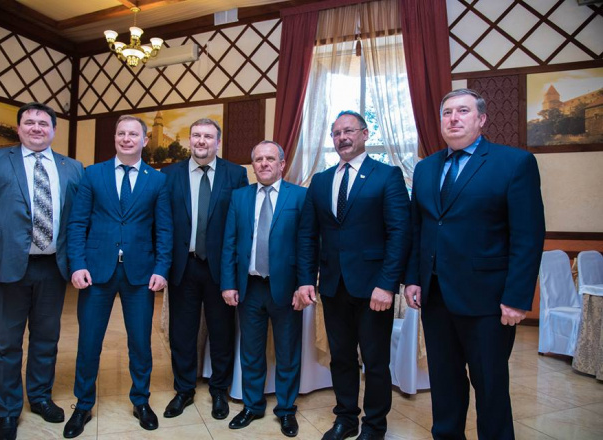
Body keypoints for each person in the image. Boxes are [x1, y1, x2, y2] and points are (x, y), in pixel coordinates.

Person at [404, 88, 545, 439]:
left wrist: (517, 297)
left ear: (481, 119)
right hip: (436, 297)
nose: (453, 118)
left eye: (463, 111)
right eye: (447, 112)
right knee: (444, 382)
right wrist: (413, 279)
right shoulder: (425, 168)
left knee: (490, 384)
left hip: (487, 300)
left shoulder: (514, 163)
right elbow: (418, 229)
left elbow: (527, 236)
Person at [0, 102, 84, 440]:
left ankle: (40, 397)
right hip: (5, 268)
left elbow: (79, 219)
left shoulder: (73, 168)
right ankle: (7, 411)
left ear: (54, 130)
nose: (36, 128)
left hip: (53, 268)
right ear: (18, 129)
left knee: (46, 339)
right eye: (29, 122)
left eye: (43, 123)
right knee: (5, 343)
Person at [296, 111, 411, 440]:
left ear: (364, 134)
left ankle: (374, 426)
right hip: (333, 287)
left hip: (374, 289)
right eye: (336, 133)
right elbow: (308, 235)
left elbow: (399, 233)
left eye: (348, 131)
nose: (342, 138)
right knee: (341, 358)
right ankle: (345, 419)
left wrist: (387, 284)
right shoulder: (321, 181)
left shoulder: (387, 175)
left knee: (375, 362)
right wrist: (306, 279)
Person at [63, 115, 172, 438]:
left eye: (133, 134)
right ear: (115, 138)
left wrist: (161, 269)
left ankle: (141, 401)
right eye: (121, 133)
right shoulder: (92, 174)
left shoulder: (158, 180)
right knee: (89, 342)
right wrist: (77, 264)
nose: (126, 138)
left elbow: (164, 229)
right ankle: (83, 404)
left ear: (144, 140)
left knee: (140, 342)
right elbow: (77, 223)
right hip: (96, 271)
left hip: (140, 274)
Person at [161, 118, 248, 420]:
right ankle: (184, 389)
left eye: (208, 136)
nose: (201, 141)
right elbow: (163, 222)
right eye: (196, 135)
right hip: (182, 267)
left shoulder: (235, 174)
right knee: (182, 332)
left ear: (218, 142)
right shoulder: (169, 174)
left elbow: (241, 223)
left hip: (220, 269)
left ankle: (219, 390)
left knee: (221, 331)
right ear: (189, 140)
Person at [221, 141, 306, 437]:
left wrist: (303, 285)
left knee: (287, 353)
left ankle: (286, 410)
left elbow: (307, 245)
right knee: (251, 352)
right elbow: (230, 243)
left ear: (282, 164)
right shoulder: (239, 197)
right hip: (250, 287)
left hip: (287, 289)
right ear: (253, 165)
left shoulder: (300, 196)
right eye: (258, 159)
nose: (264, 164)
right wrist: (228, 284)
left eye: (270, 158)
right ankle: (252, 406)